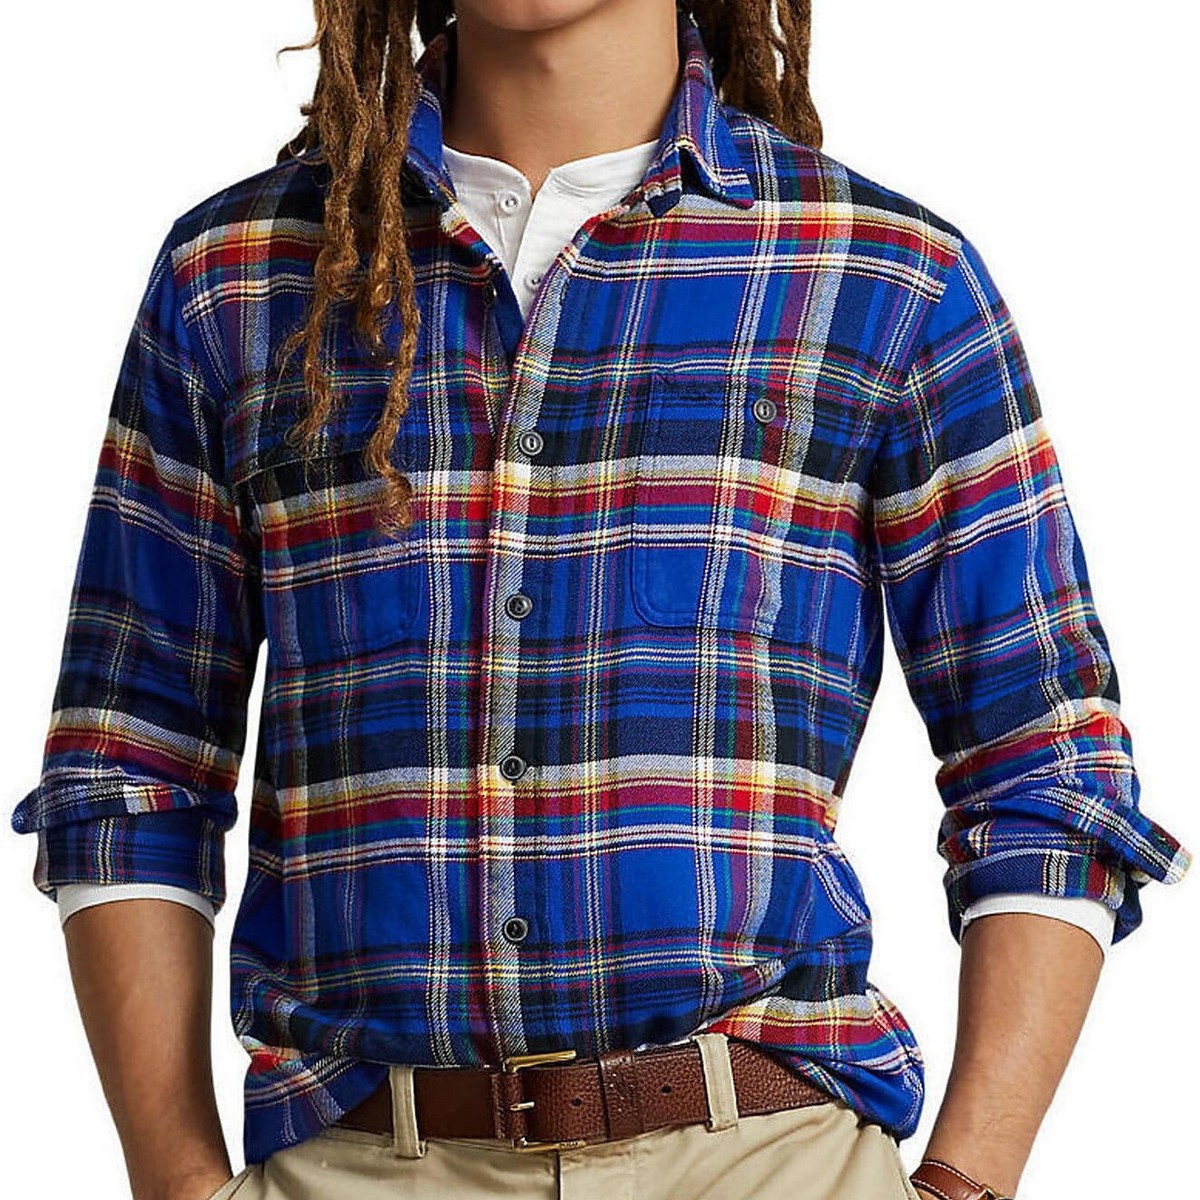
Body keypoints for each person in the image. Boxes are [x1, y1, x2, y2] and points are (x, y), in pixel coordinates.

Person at [11, 2, 1192, 1199]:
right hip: (359, 1160)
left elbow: (1045, 762)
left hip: (767, 1160)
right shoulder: (238, 277)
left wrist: (969, 1182)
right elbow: (130, 762)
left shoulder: (886, 278)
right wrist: (177, 1180)